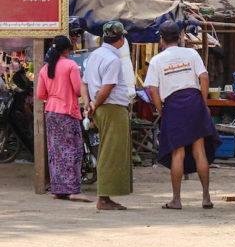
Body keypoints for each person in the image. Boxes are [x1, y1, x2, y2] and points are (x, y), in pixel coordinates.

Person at [145, 20, 221, 210]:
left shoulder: (156, 60)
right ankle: (206, 197)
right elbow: (204, 77)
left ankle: (177, 200)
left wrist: (161, 109)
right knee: (199, 151)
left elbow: (153, 89)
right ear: (179, 38)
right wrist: (203, 102)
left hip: (173, 105)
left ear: (161, 40)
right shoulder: (191, 53)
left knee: (177, 152)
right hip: (194, 101)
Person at [81, 21, 133, 211]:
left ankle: (106, 196)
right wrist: (94, 103)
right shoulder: (113, 59)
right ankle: (104, 198)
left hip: (100, 108)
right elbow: (107, 87)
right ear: (121, 39)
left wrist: (88, 103)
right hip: (111, 107)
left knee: (106, 150)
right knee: (111, 152)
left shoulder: (95, 55)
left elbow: (84, 83)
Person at [36, 35, 91, 203]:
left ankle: (58, 190)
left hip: (51, 112)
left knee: (56, 151)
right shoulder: (71, 65)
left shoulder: (45, 69)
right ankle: (74, 190)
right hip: (67, 112)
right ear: (67, 49)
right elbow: (77, 89)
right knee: (73, 151)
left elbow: (40, 94)